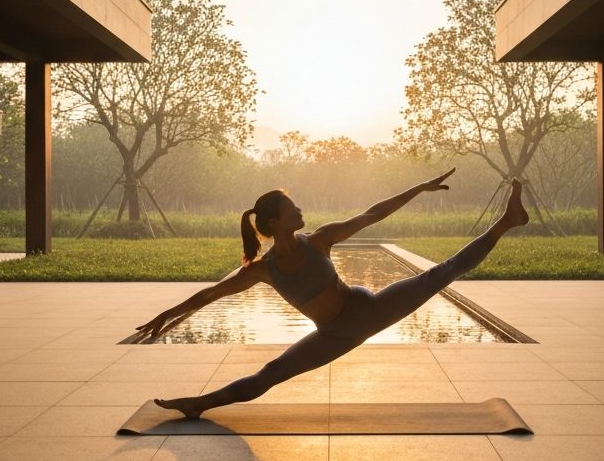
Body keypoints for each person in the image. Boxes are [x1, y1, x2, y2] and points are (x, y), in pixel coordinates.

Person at [132, 169, 529, 418]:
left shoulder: (319, 239)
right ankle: (198, 405)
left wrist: (417, 188)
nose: (300, 209)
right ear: (275, 221)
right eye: (292, 207)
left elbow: (373, 213)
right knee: (270, 374)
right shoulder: (263, 271)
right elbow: (209, 295)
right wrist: (166, 314)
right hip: (333, 336)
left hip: (367, 310)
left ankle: (507, 222)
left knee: (441, 273)